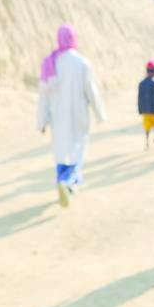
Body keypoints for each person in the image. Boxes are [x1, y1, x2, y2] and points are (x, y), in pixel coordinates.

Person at [36, 24, 106, 208]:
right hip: (78, 115)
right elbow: (91, 91)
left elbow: (44, 96)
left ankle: (63, 180)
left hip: (57, 118)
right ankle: (68, 182)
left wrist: (41, 120)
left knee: (61, 152)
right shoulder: (82, 63)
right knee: (78, 149)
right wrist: (100, 114)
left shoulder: (49, 63)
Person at [137, 60, 154, 149]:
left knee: (147, 127)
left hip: (145, 110)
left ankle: (147, 142)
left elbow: (139, 97)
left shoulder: (141, 83)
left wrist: (140, 109)